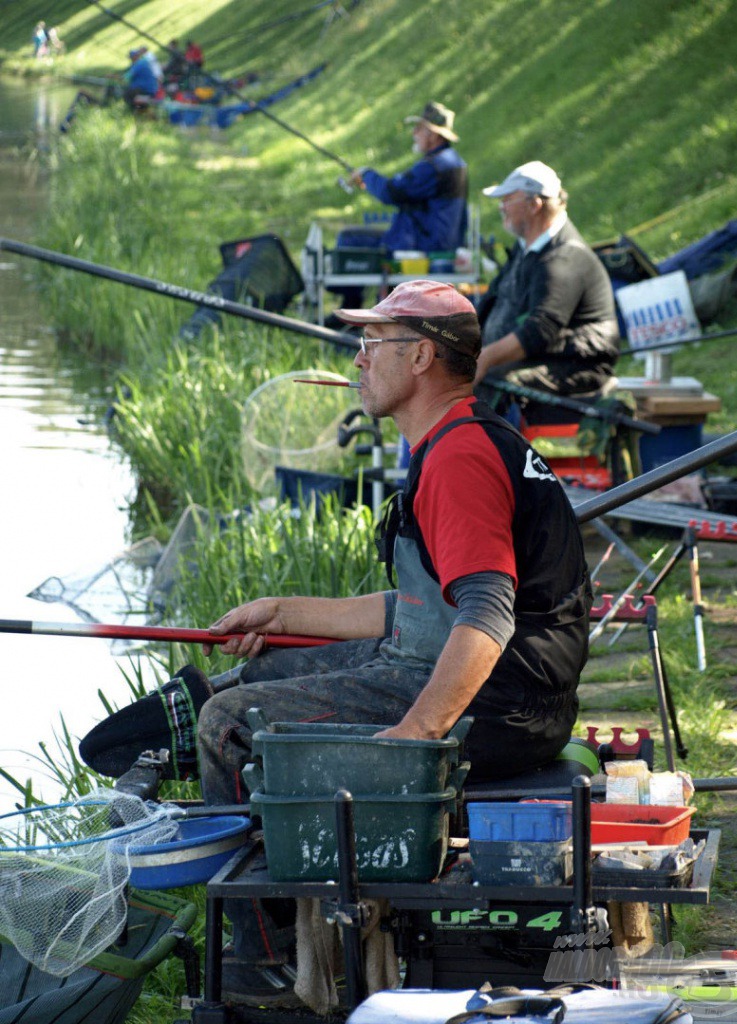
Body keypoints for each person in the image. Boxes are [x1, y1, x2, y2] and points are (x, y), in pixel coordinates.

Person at [194, 279, 591, 1005]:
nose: (357, 361)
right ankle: (288, 926)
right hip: (485, 679)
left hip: (498, 702)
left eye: (371, 344)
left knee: (226, 726)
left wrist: (413, 739)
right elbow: (416, 608)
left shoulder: (460, 459)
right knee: (246, 683)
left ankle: (267, 966)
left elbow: (488, 616)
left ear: (420, 357)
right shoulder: (454, 440)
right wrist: (283, 610)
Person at [474, 160, 620, 404]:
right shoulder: (527, 247)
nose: (501, 208)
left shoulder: (564, 257)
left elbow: (540, 330)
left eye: (507, 199)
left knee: (493, 386)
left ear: (534, 205)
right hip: (539, 357)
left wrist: (485, 358)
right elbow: (491, 301)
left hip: (575, 366)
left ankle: (489, 443)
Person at [325, 102, 469, 321]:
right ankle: (352, 311)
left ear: (433, 134)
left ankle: (350, 312)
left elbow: (393, 192)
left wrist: (366, 175)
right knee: (356, 238)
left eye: (419, 129)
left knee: (349, 239)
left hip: (423, 243)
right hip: (437, 239)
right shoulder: (453, 161)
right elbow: (406, 193)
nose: (414, 134)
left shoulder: (435, 166)